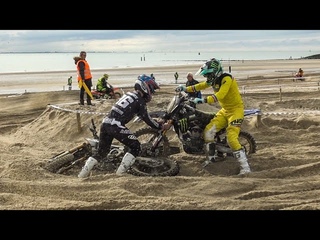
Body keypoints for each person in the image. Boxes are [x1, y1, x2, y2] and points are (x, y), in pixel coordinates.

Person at [78, 79, 171, 178]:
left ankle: (82, 175)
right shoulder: (140, 101)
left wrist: (155, 121)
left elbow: (140, 115)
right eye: (151, 90)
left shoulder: (128, 95)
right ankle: (120, 174)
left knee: (102, 152)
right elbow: (146, 118)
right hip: (115, 125)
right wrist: (161, 126)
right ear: (145, 88)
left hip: (105, 123)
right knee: (136, 146)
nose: (151, 93)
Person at [176, 58, 251, 175]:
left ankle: (245, 167)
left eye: (208, 74)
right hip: (224, 110)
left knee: (231, 137)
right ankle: (212, 159)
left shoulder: (227, 78)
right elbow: (201, 86)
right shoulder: (213, 80)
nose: (207, 77)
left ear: (214, 71)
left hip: (236, 110)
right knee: (208, 132)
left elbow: (220, 95)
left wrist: (204, 100)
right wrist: (185, 88)